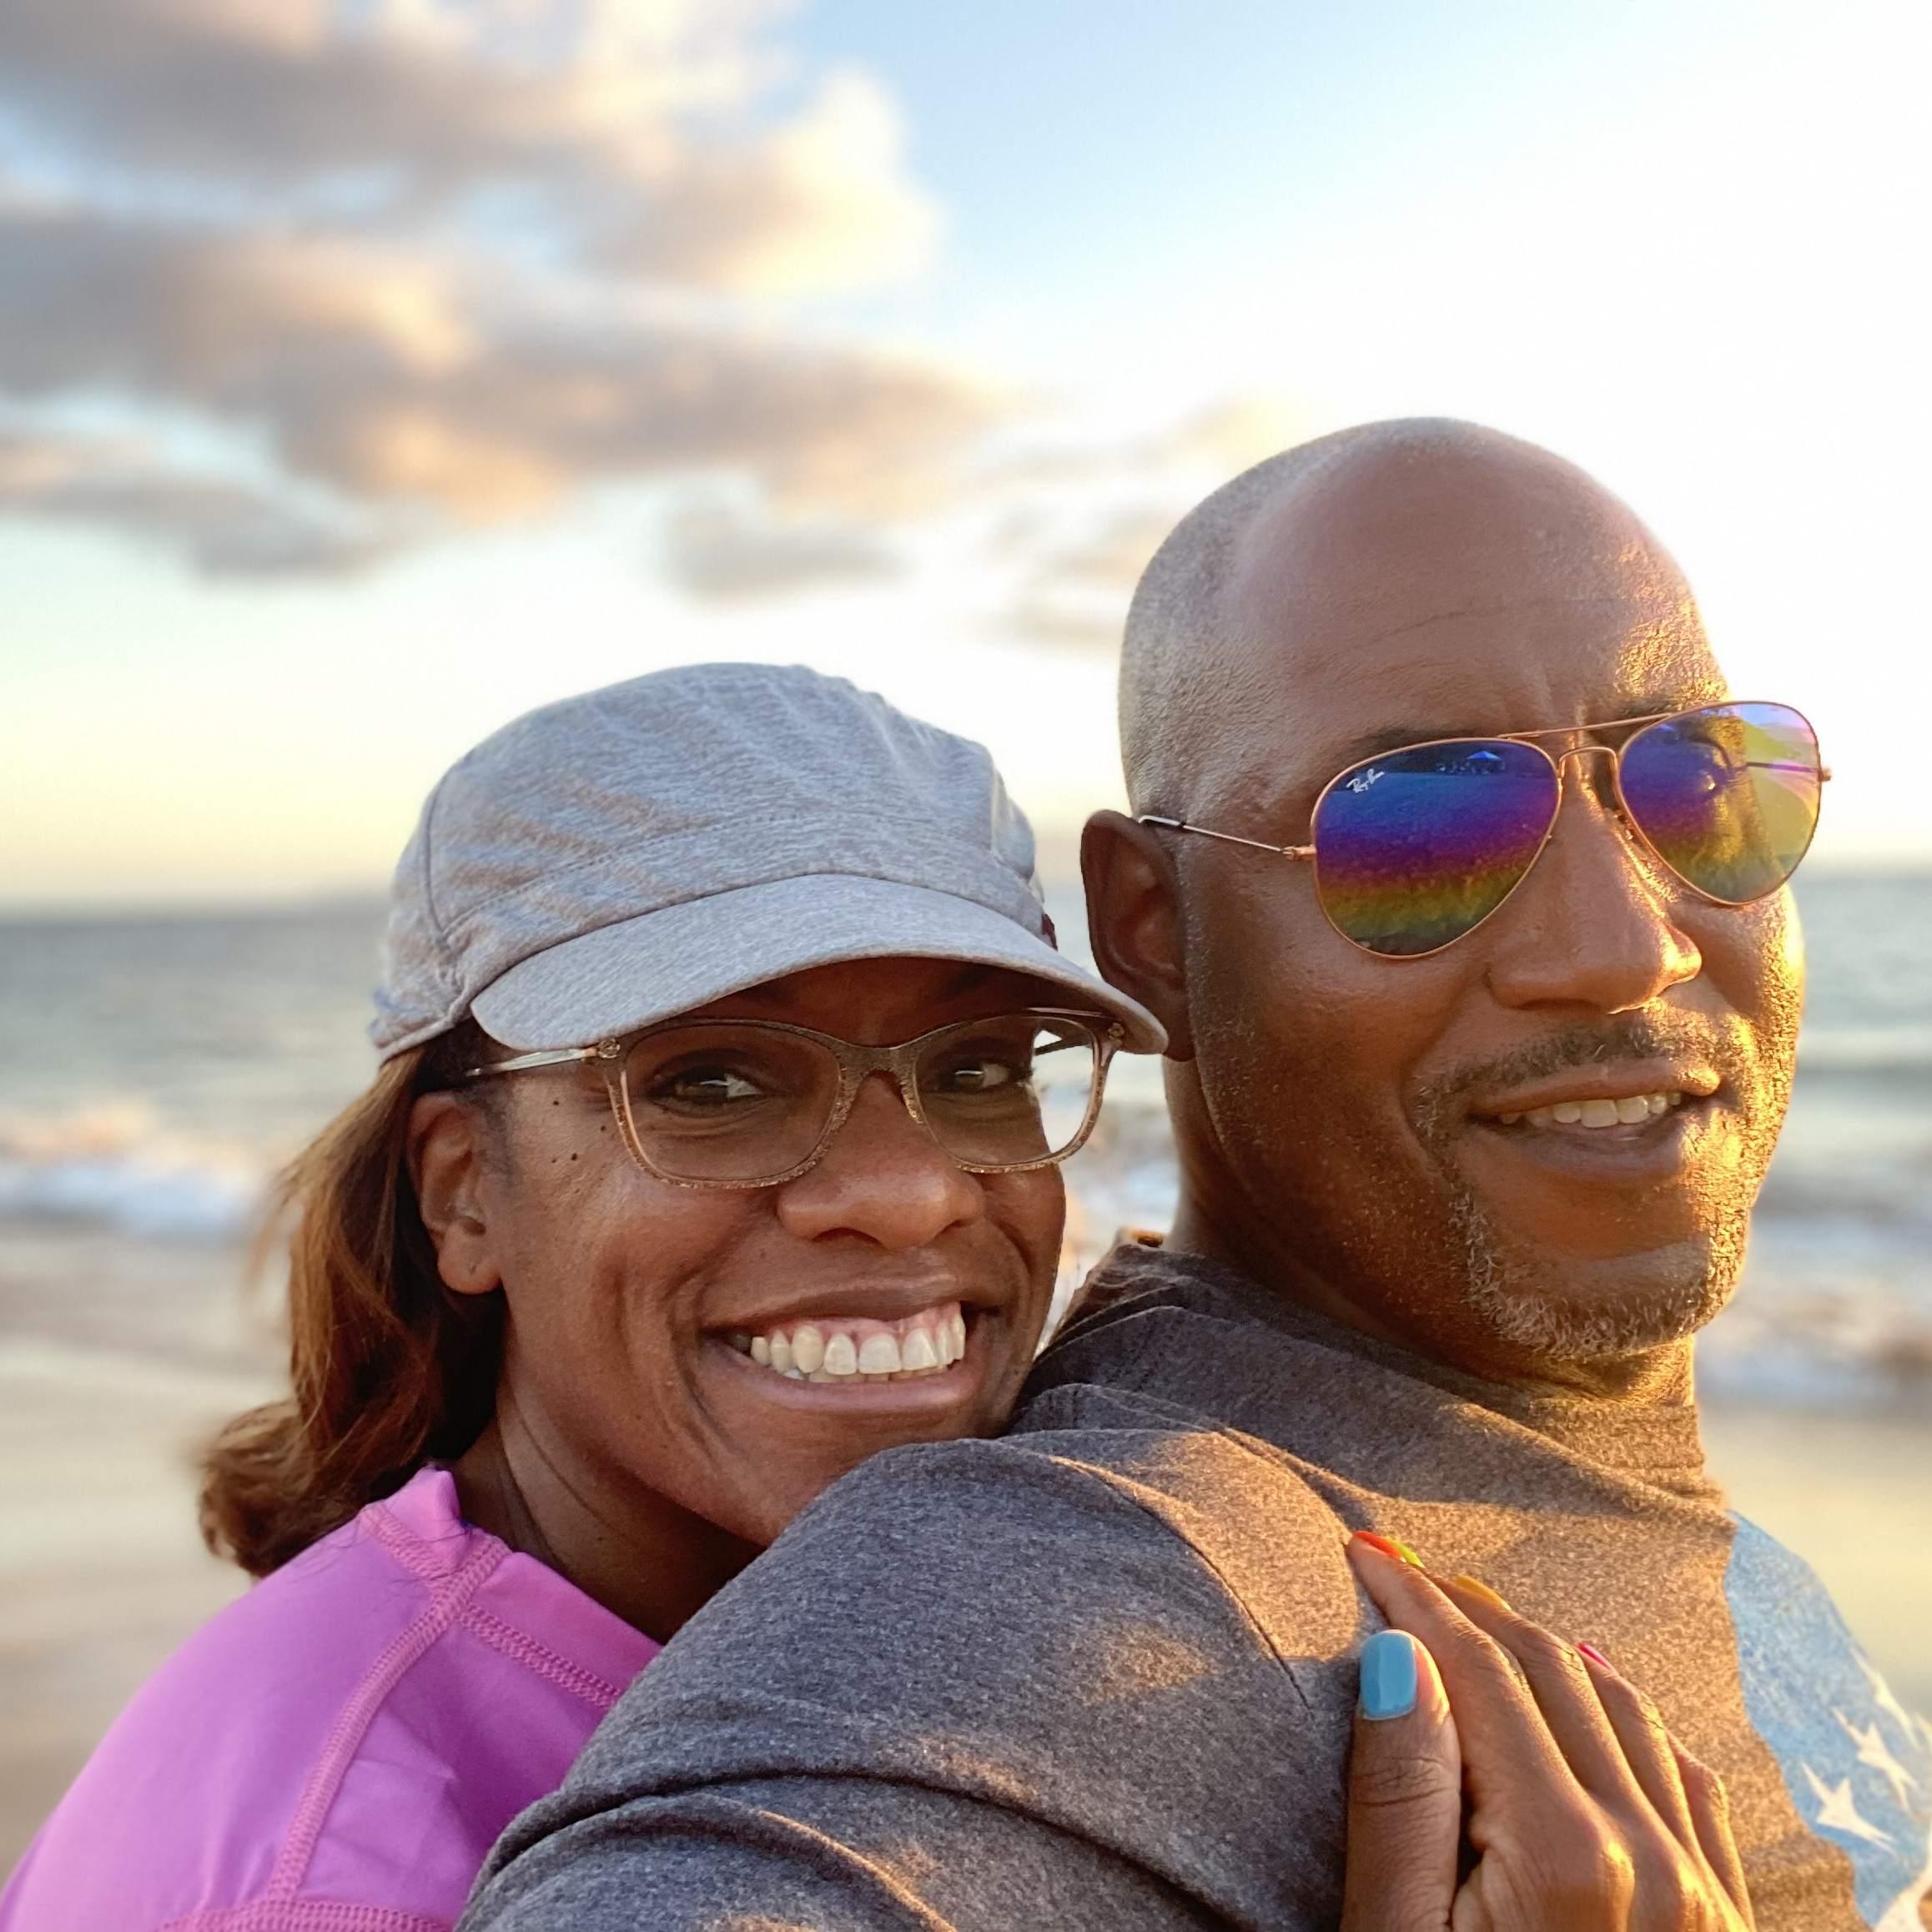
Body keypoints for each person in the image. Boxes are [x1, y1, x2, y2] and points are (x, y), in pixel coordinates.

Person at [459, 424, 1927, 1932]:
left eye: (1701, 789)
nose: (1629, 945)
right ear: (1152, 927)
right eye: (1424, 825)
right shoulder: (1098, 1585)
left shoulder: (1546, 1452)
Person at [0, 661, 1712, 1932]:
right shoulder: (364, 1870)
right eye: (717, 1084)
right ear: (466, 1194)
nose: (905, 1188)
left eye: (979, 1067)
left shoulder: (935, 1636)